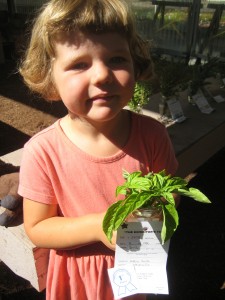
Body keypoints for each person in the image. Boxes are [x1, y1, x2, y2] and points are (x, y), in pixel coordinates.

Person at [18, 0, 178, 299]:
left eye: (117, 59)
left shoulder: (152, 135)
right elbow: (38, 227)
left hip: (133, 264)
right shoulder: (43, 151)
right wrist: (98, 226)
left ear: (136, 64)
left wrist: (152, 213)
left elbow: (170, 192)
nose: (102, 75)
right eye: (79, 64)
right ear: (49, 77)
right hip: (77, 277)